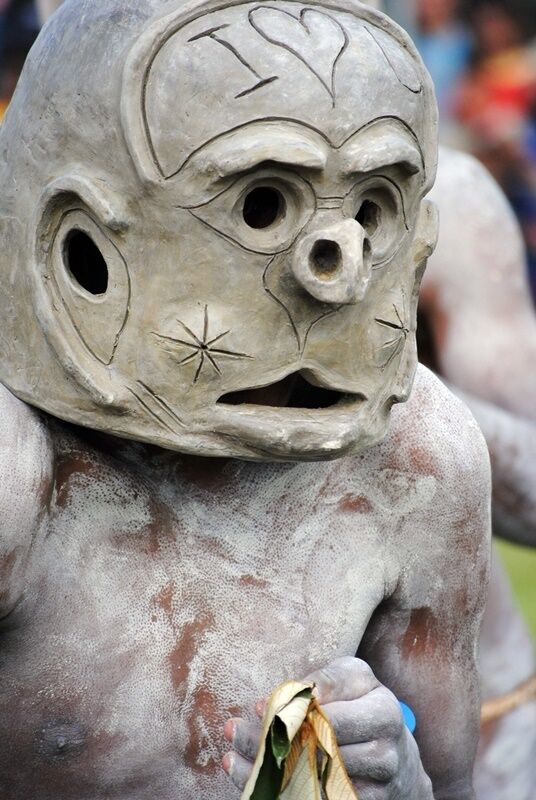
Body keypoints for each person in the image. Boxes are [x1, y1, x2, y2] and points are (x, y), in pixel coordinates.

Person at [0, 2, 491, 798]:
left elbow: (454, 788)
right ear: (79, 245)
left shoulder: (415, 461)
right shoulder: (23, 476)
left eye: (372, 206)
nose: (338, 267)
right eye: (262, 202)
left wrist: (402, 782)